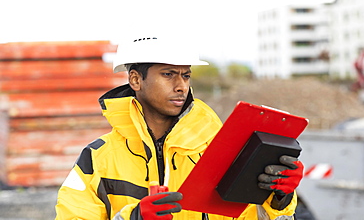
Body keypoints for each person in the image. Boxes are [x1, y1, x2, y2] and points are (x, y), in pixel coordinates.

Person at [55, 36, 304, 220]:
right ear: (135, 80)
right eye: (168, 74)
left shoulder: (217, 150)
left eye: (185, 75)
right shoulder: (97, 157)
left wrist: (277, 200)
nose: (180, 86)